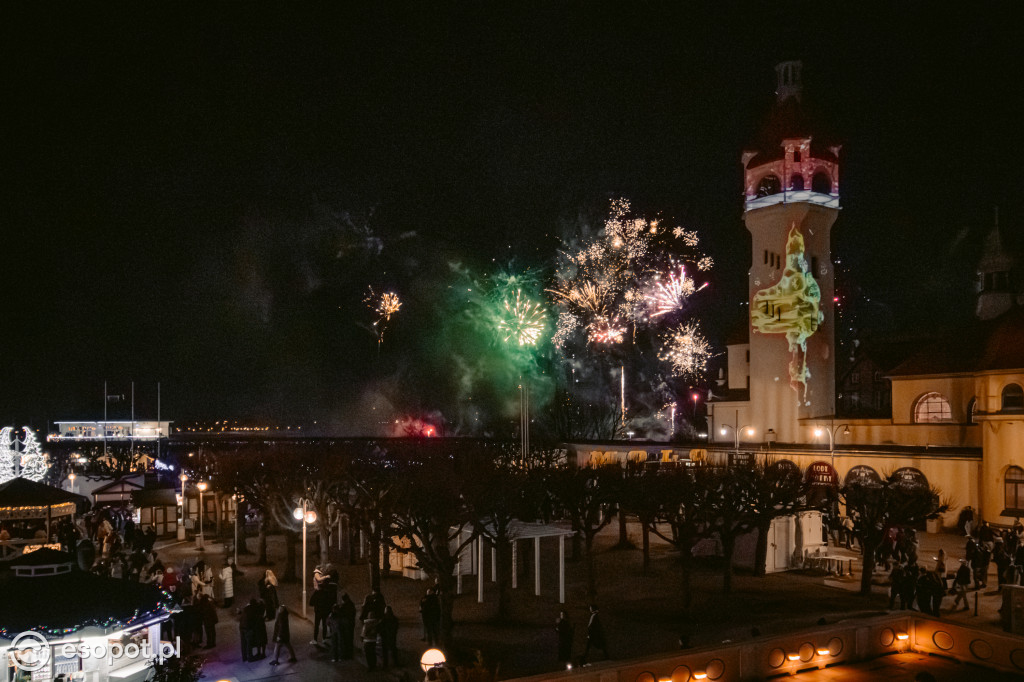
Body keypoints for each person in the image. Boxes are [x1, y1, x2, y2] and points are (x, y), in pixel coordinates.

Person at [339, 593, 357, 659]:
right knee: (350, 639)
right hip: (351, 624)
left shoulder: (344, 606)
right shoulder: (351, 604)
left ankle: (346, 654)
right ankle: (350, 654)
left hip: (346, 625)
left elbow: (341, 614)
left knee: (346, 640)